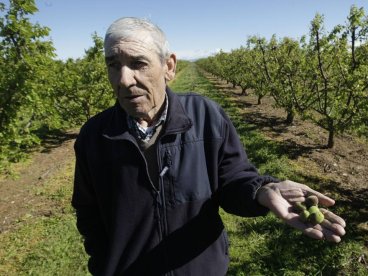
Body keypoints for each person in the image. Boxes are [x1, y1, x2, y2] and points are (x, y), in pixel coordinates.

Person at [71, 17, 346, 276]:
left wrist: (262, 191)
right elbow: (89, 213)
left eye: (138, 63)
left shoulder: (206, 117)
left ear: (169, 66)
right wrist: (104, 265)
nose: (123, 79)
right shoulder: (95, 136)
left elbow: (232, 180)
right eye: (113, 65)